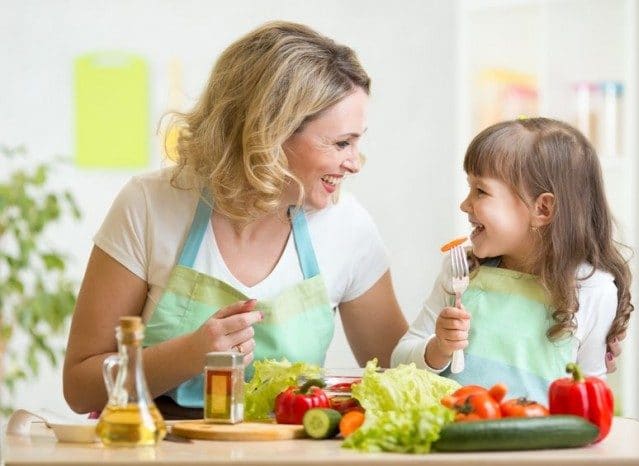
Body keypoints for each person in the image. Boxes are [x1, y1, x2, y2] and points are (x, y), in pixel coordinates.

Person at [63, 21, 407, 418]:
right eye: (341, 143)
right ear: (270, 133)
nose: (354, 163)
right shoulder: (150, 205)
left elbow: (399, 375)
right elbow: (80, 387)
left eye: (357, 141)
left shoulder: (348, 228)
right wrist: (188, 356)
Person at [391, 118, 633, 403]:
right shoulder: (461, 272)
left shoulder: (594, 290)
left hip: (540, 447)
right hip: (453, 443)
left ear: (542, 208)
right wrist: (438, 349)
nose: (465, 204)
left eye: (480, 191)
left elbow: (591, 394)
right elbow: (399, 360)